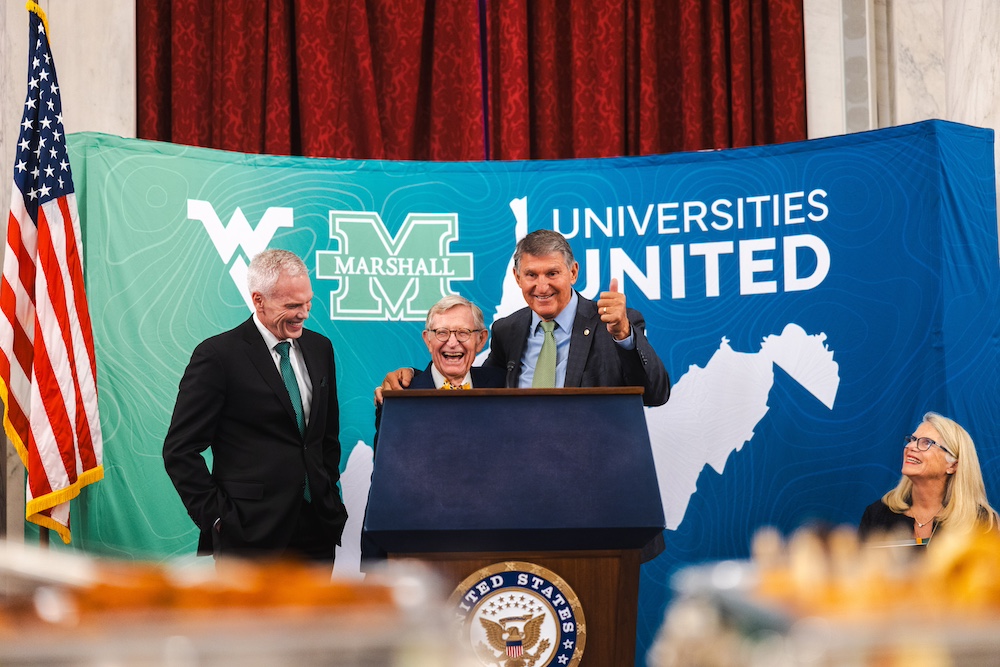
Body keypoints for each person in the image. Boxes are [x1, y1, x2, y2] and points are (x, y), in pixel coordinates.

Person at [163, 249, 348, 562]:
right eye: (292, 305)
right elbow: (180, 450)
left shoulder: (320, 348)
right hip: (247, 536)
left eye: (308, 302)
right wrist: (219, 520)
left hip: (317, 530)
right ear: (258, 300)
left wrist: (327, 491)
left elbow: (325, 436)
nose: (304, 313)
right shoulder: (217, 356)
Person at [378, 229, 670, 407]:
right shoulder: (508, 330)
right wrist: (413, 379)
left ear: (574, 272)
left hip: (590, 479)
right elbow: (477, 385)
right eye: (531, 275)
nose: (541, 287)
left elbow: (655, 394)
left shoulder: (613, 324)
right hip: (520, 477)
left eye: (552, 273)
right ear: (517, 277)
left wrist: (623, 335)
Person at [859, 411, 998, 544]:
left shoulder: (981, 522)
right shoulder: (877, 514)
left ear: (953, 465)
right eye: (912, 439)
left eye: (926, 442)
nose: (911, 446)